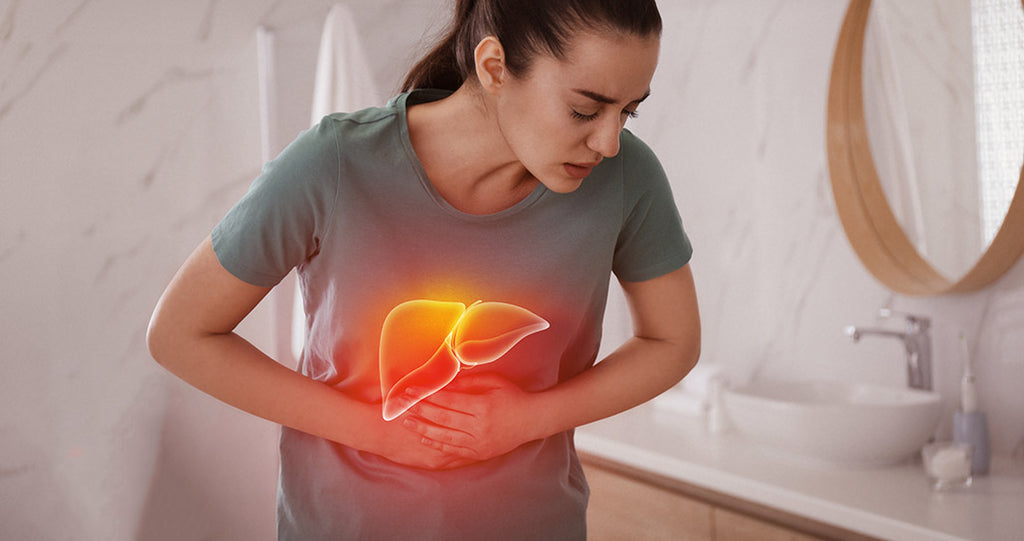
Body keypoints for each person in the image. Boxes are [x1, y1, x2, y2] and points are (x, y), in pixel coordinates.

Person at [147, 0, 700, 538]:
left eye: (628, 112)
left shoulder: (629, 179)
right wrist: (380, 433)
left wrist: (525, 419)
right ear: (494, 67)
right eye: (585, 109)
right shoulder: (334, 164)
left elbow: (672, 342)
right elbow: (181, 334)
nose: (608, 142)